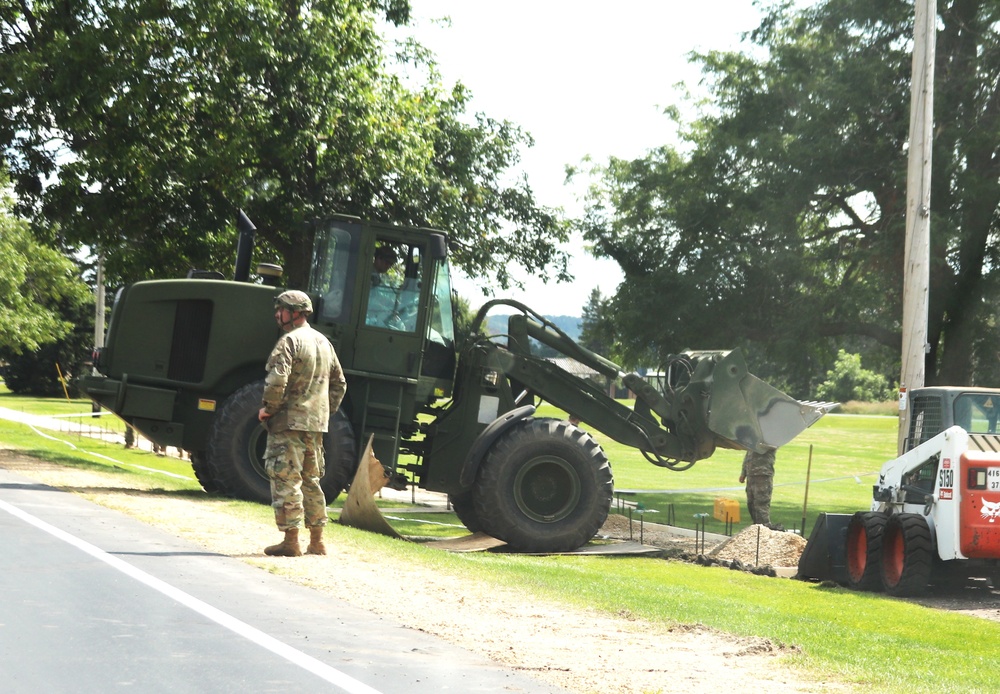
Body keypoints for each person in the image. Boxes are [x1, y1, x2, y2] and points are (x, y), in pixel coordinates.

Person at [258, 290, 347, 557]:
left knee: (286, 479)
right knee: (311, 481)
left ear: (295, 313)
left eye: (281, 309)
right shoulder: (323, 343)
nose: (277, 314)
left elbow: (276, 381)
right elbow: (340, 384)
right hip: (315, 425)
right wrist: (323, 412)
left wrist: (267, 409)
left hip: (288, 423)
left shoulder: (289, 342)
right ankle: (317, 541)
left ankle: (291, 541)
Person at [739, 447, 776, 527]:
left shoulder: (770, 438)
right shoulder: (754, 439)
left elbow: (772, 446)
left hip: (762, 474)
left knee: (761, 503)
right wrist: (743, 472)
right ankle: (756, 526)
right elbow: (748, 456)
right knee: (751, 503)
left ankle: (764, 527)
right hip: (751, 474)